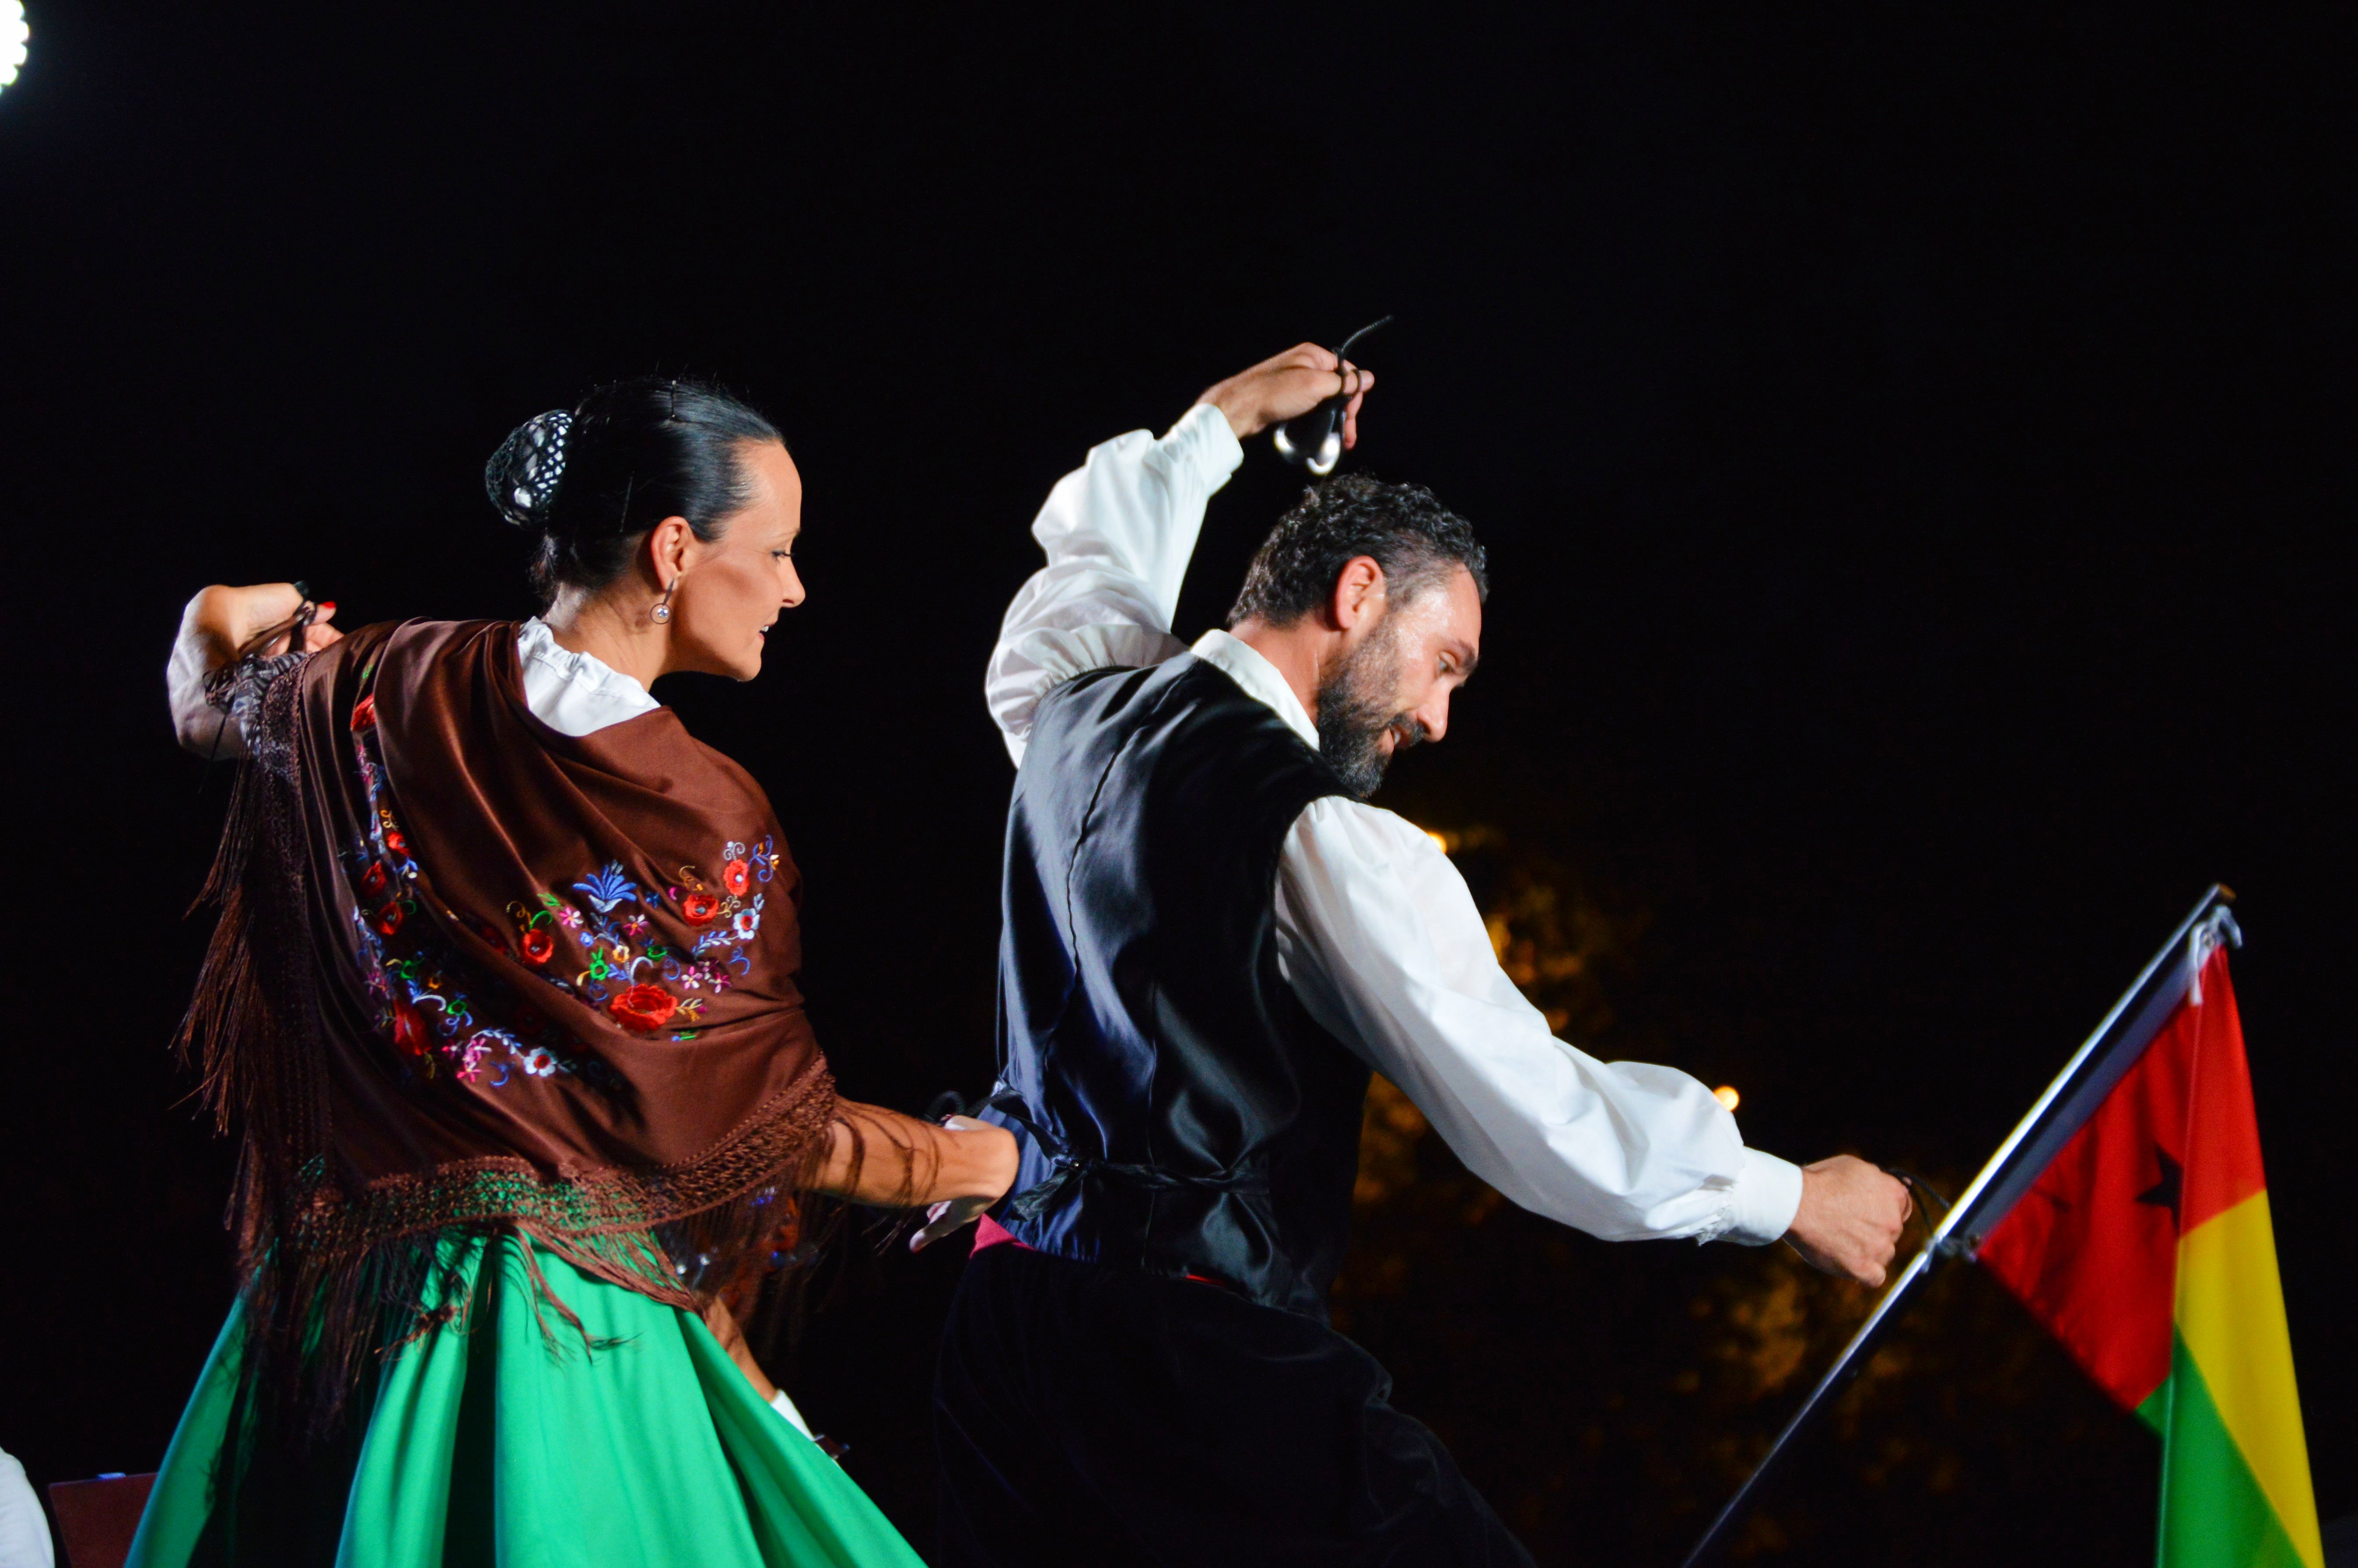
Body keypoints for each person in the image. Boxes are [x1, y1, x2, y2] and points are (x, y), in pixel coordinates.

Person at [933, 345, 1914, 1565]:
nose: (1436, 720)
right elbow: (1528, 1101)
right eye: (1443, 664)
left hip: (999, 1329)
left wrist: (1224, 417)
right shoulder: (1323, 838)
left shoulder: (1064, 702)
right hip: (1188, 1370)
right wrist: (1784, 1196)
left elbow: (1092, 552)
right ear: (1356, 596)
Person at [136, 379, 1015, 1567]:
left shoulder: (378, 686)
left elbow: (206, 686)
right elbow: (758, 1128)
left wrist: (279, 607)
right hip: (549, 1319)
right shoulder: (692, 805)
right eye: (777, 551)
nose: (795, 588)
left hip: (347, 1311)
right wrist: (986, 1159)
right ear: (672, 549)